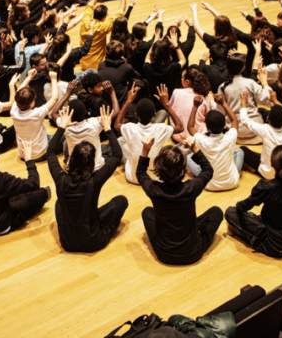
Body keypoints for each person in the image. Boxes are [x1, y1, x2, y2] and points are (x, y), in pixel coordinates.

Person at [46, 105, 128, 252]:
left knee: (59, 204)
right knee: (121, 201)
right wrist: (107, 128)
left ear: (70, 159)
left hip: (67, 242)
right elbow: (116, 155)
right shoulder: (95, 180)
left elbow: (50, 152)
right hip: (94, 240)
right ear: (92, 162)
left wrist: (62, 128)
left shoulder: (60, 178)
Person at [137, 136, 223, 265]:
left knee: (147, 212)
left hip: (164, 255)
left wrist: (145, 149)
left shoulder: (153, 189)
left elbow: (140, 173)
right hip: (193, 253)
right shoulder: (191, 187)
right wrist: (195, 149)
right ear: (183, 170)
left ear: (158, 168)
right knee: (217, 212)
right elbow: (208, 170)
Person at [225, 146, 282, 258]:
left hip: (275, 246)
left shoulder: (266, 187)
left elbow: (245, 206)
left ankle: (246, 232)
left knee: (230, 212)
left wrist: (238, 205)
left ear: (271, 165)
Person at [114, 84, 184, 185]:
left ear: (136, 114)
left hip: (132, 177)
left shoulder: (130, 128)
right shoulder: (161, 128)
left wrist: (128, 101)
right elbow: (180, 127)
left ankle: (129, 165)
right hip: (153, 178)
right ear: (154, 115)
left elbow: (117, 125)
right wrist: (166, 105)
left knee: (121, 141)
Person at [187, 95, 243, 192]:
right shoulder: (230, 137)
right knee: (239, 151)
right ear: (224, 126)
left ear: (207, 128)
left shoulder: (202, 140)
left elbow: (190, 127)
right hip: (232, 182)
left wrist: (195, 107)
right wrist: (223, 103)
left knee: (188, 157)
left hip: (209, 184)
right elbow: (234, 120)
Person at [238, 92, 282, 179]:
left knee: (243, 149)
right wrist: (275, 101)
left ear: (268, 119)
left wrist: (243, 105)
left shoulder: (265, 130)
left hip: (269, 174)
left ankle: (254, 170)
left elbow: (245, 120)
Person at [10, 68, 59, 161]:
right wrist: (54, 79)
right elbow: (55, 98)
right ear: (31, 103)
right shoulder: (36, 113)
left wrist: (29, 77)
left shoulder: (13, 111)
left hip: (23, 154)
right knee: (64, 134)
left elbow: (18, 92)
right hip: (39, 154)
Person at [78, 0, 128, 70]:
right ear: (104, 17)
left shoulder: (84, 21)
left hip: (83, 64)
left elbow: (89, 5)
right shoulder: (104, 26)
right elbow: (120, 13)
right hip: (97, 65)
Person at [169, 66, 212, 142]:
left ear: (187, 82)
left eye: (182, 78)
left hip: (178, 137)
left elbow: (170, 110)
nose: (181, 79)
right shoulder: (205, 98)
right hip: (198, 138)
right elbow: (208, 117)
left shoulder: (176, 92)